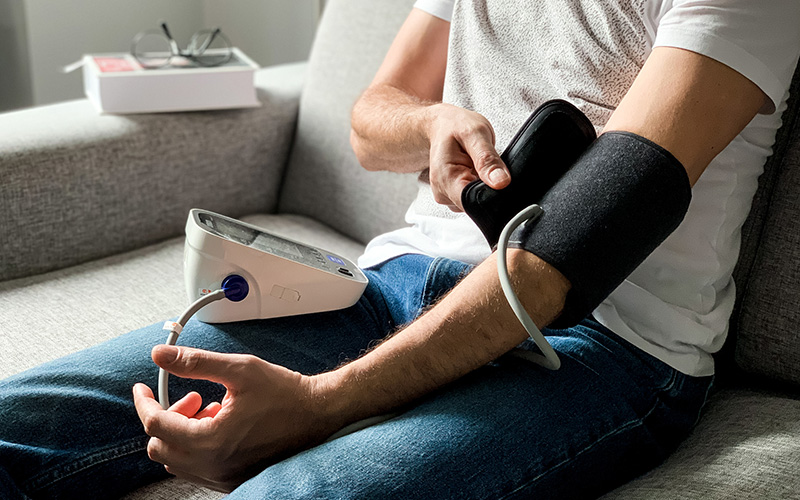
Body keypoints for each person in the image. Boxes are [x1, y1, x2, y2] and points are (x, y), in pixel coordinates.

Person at [1, 0, 799, 498]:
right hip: (390, 283)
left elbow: (572, 251)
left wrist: (319, 409)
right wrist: (427, 124)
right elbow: (368, 119)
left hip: (601, 340)